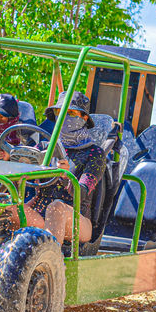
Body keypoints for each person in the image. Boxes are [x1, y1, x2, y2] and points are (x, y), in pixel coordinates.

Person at [22, 91, 106, 244]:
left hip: (77, 217)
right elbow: (23, 171)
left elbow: (82, 194)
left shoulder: (95, 153)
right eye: (60, 112)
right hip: (40, 213)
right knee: (5, 206)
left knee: (56, 208)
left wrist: (67, 176)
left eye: (70, 113)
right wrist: (18, 163)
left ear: (84, 118)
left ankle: (49, 262)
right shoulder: (43, 147)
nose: (64, 117)